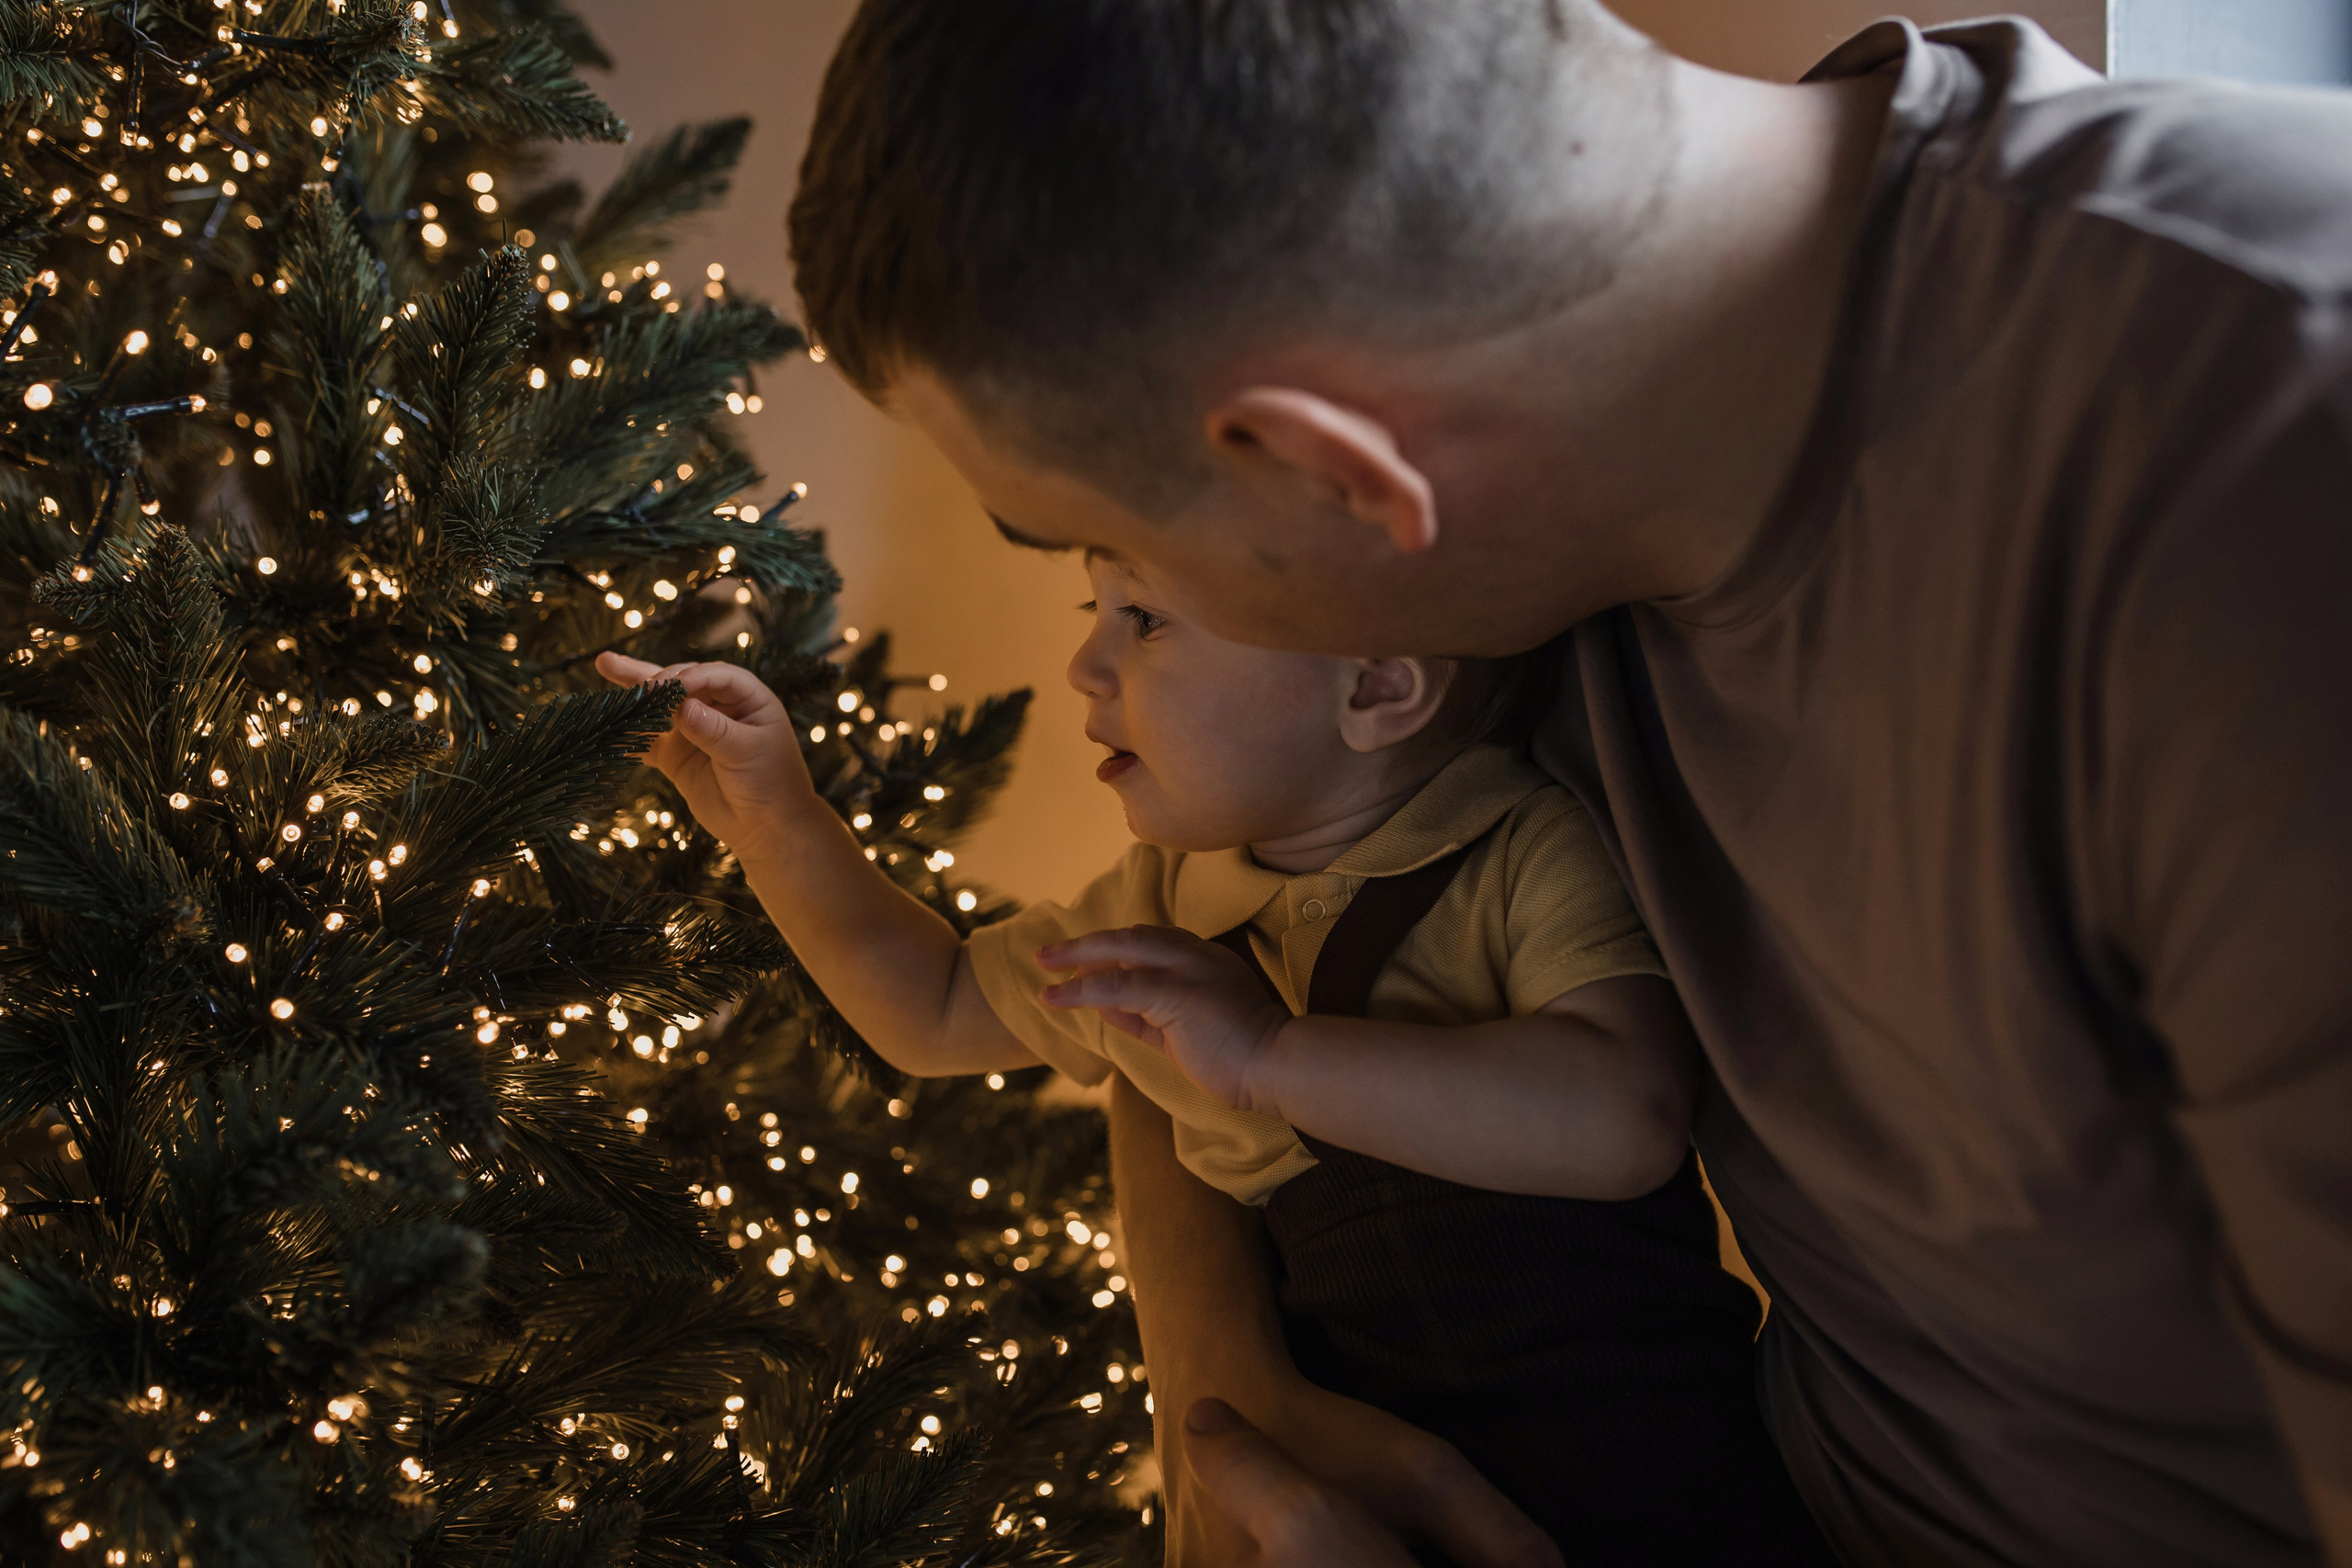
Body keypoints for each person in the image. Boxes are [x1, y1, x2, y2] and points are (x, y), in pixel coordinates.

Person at [784, 2, 2352, 1565]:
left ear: (1339, 475)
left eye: (1117, 565)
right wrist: (1226, 1381)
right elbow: (1219, 942)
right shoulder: (1552, 480)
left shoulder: (2258, 484)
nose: (1104, 645)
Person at [594, 541, 1833, 1565]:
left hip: (1645, 1469)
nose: (1084, 665)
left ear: (1378, 687)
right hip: (1371, 1482)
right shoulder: (1151, 908)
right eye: (1099, 609)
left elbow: (1624, 1116)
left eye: (1145, 619)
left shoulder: (1515, 844)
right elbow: (928, 1007)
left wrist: (1271, 1059)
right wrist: (780, 826)